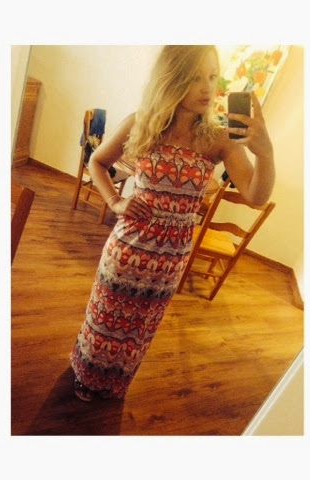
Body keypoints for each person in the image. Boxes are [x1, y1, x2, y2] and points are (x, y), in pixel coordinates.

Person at [70, 45, 275, 401]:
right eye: (195, 77)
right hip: (128, 249)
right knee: (105, 318)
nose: (207, 87)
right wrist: (116, 201)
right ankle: (86, 377)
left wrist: (266, 153)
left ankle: (116, 383)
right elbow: (97, 162)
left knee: (140, 329)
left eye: (212, 76)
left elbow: (256, 196)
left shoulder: (218, 138)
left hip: (171, 259)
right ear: (172, 77)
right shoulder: (141, 122)